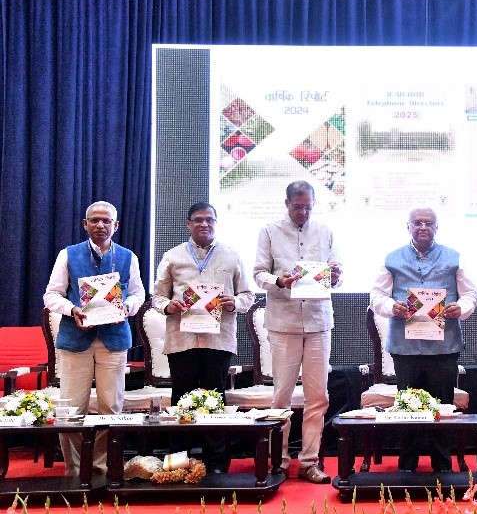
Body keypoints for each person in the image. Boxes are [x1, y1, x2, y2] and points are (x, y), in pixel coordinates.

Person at [370, 207, 477, 473]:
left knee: (442, 407)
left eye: (429, 223)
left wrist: (461, 308)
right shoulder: (392, 258)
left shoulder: (454, 257)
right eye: (417, 223)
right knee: (407, 408)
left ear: (436, 228)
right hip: (405, 348)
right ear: (408, 227)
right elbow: (376, 296)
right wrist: (391, 306)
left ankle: (443, 467)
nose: (423, 227)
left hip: (444, 347)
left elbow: (471, 294)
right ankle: (407, 466)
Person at [43, 201, 145, 476]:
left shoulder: (128, 257)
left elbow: (138, 293)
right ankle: (75, 470)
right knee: (70, 410)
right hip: (76, 339)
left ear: (116, 225)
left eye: (106, 221)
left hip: (114, 339)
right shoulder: (68, 254)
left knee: (111, 408)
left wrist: (127, 308)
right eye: (94, 220)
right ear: (85, 224)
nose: (100, 225)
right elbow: (51, 295)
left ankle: (101, 468)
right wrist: (72, 309)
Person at [151, 201, 254, 473]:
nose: (204, 224)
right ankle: (178, 463)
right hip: (182, 339)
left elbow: (248, 295)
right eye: (198, 219)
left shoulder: (231, 256)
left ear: (216, 223)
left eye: (209, 219)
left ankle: (216, 464)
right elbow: (157, 297)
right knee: (181, 399)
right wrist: (168, 306)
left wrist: (234, 302)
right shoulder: (172, 257)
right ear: (188, 224)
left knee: (215, 399)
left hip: (218, 340)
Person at [253, 180, 343, 484]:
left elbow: (338, 274)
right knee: (282, 395)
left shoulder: (326, 231)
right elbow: (258, 274)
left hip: (318, 322)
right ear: (286, 203)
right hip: (284, 323)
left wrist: (336, 275)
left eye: (308, 207)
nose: (303, 212)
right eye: (297, 206)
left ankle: (309, 462)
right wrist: (280, 281)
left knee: (318, 396)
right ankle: (279, 461)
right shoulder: (269, 231)